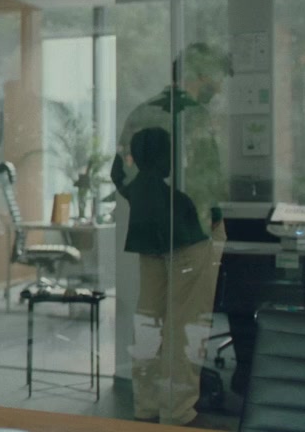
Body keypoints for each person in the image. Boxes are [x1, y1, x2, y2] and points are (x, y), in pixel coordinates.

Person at [113, 127, 222, 428]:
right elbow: (207, 196)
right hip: (188, 240)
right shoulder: (192, 121)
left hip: (149, 241)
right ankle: (177, 413)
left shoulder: (139, 123)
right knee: (184, 324)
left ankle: (146, 406)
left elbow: (117, 173)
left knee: (149, 320)